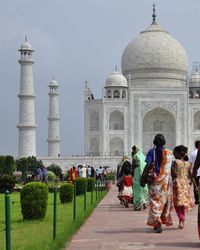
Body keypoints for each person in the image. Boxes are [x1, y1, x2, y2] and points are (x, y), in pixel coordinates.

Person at [145, 134, 173, 233]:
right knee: (163, 202)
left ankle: (158, 222)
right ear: (164, 142)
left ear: (154, 142)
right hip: (165, 183)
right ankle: (159, 221)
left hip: (155, 181)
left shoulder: (151, 152)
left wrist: (143, 176)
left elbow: (148, 165)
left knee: (155, 203)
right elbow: (171, 169)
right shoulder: (169, 153)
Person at [171, 145, 195, 229]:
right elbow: (190, 175)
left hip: (177, 184)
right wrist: (193, 185)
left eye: (174, 152)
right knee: (183, 203)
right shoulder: (188, 164)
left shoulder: (175, 162)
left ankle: (181, 218)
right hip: (185, 184)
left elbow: (173, 174)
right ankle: (181, 221)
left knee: (177, 203)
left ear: (178, 153)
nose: (173, 154)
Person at [132, 145, 148, 211]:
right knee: (143, 188)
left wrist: (132, 170)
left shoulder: (136, 156)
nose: (132, 151)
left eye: (133, 150)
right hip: (143, 174)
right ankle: (144, 203)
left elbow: (136, 165)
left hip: (137, 173)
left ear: (136, 150)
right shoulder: (142, 156)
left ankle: (138, 206)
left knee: (137, 189)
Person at [189, 140, 200, 204]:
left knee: (196, 186)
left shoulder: (192, 153)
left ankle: (197, 200)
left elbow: (191, 164)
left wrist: (191, 172)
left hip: (196, 172)